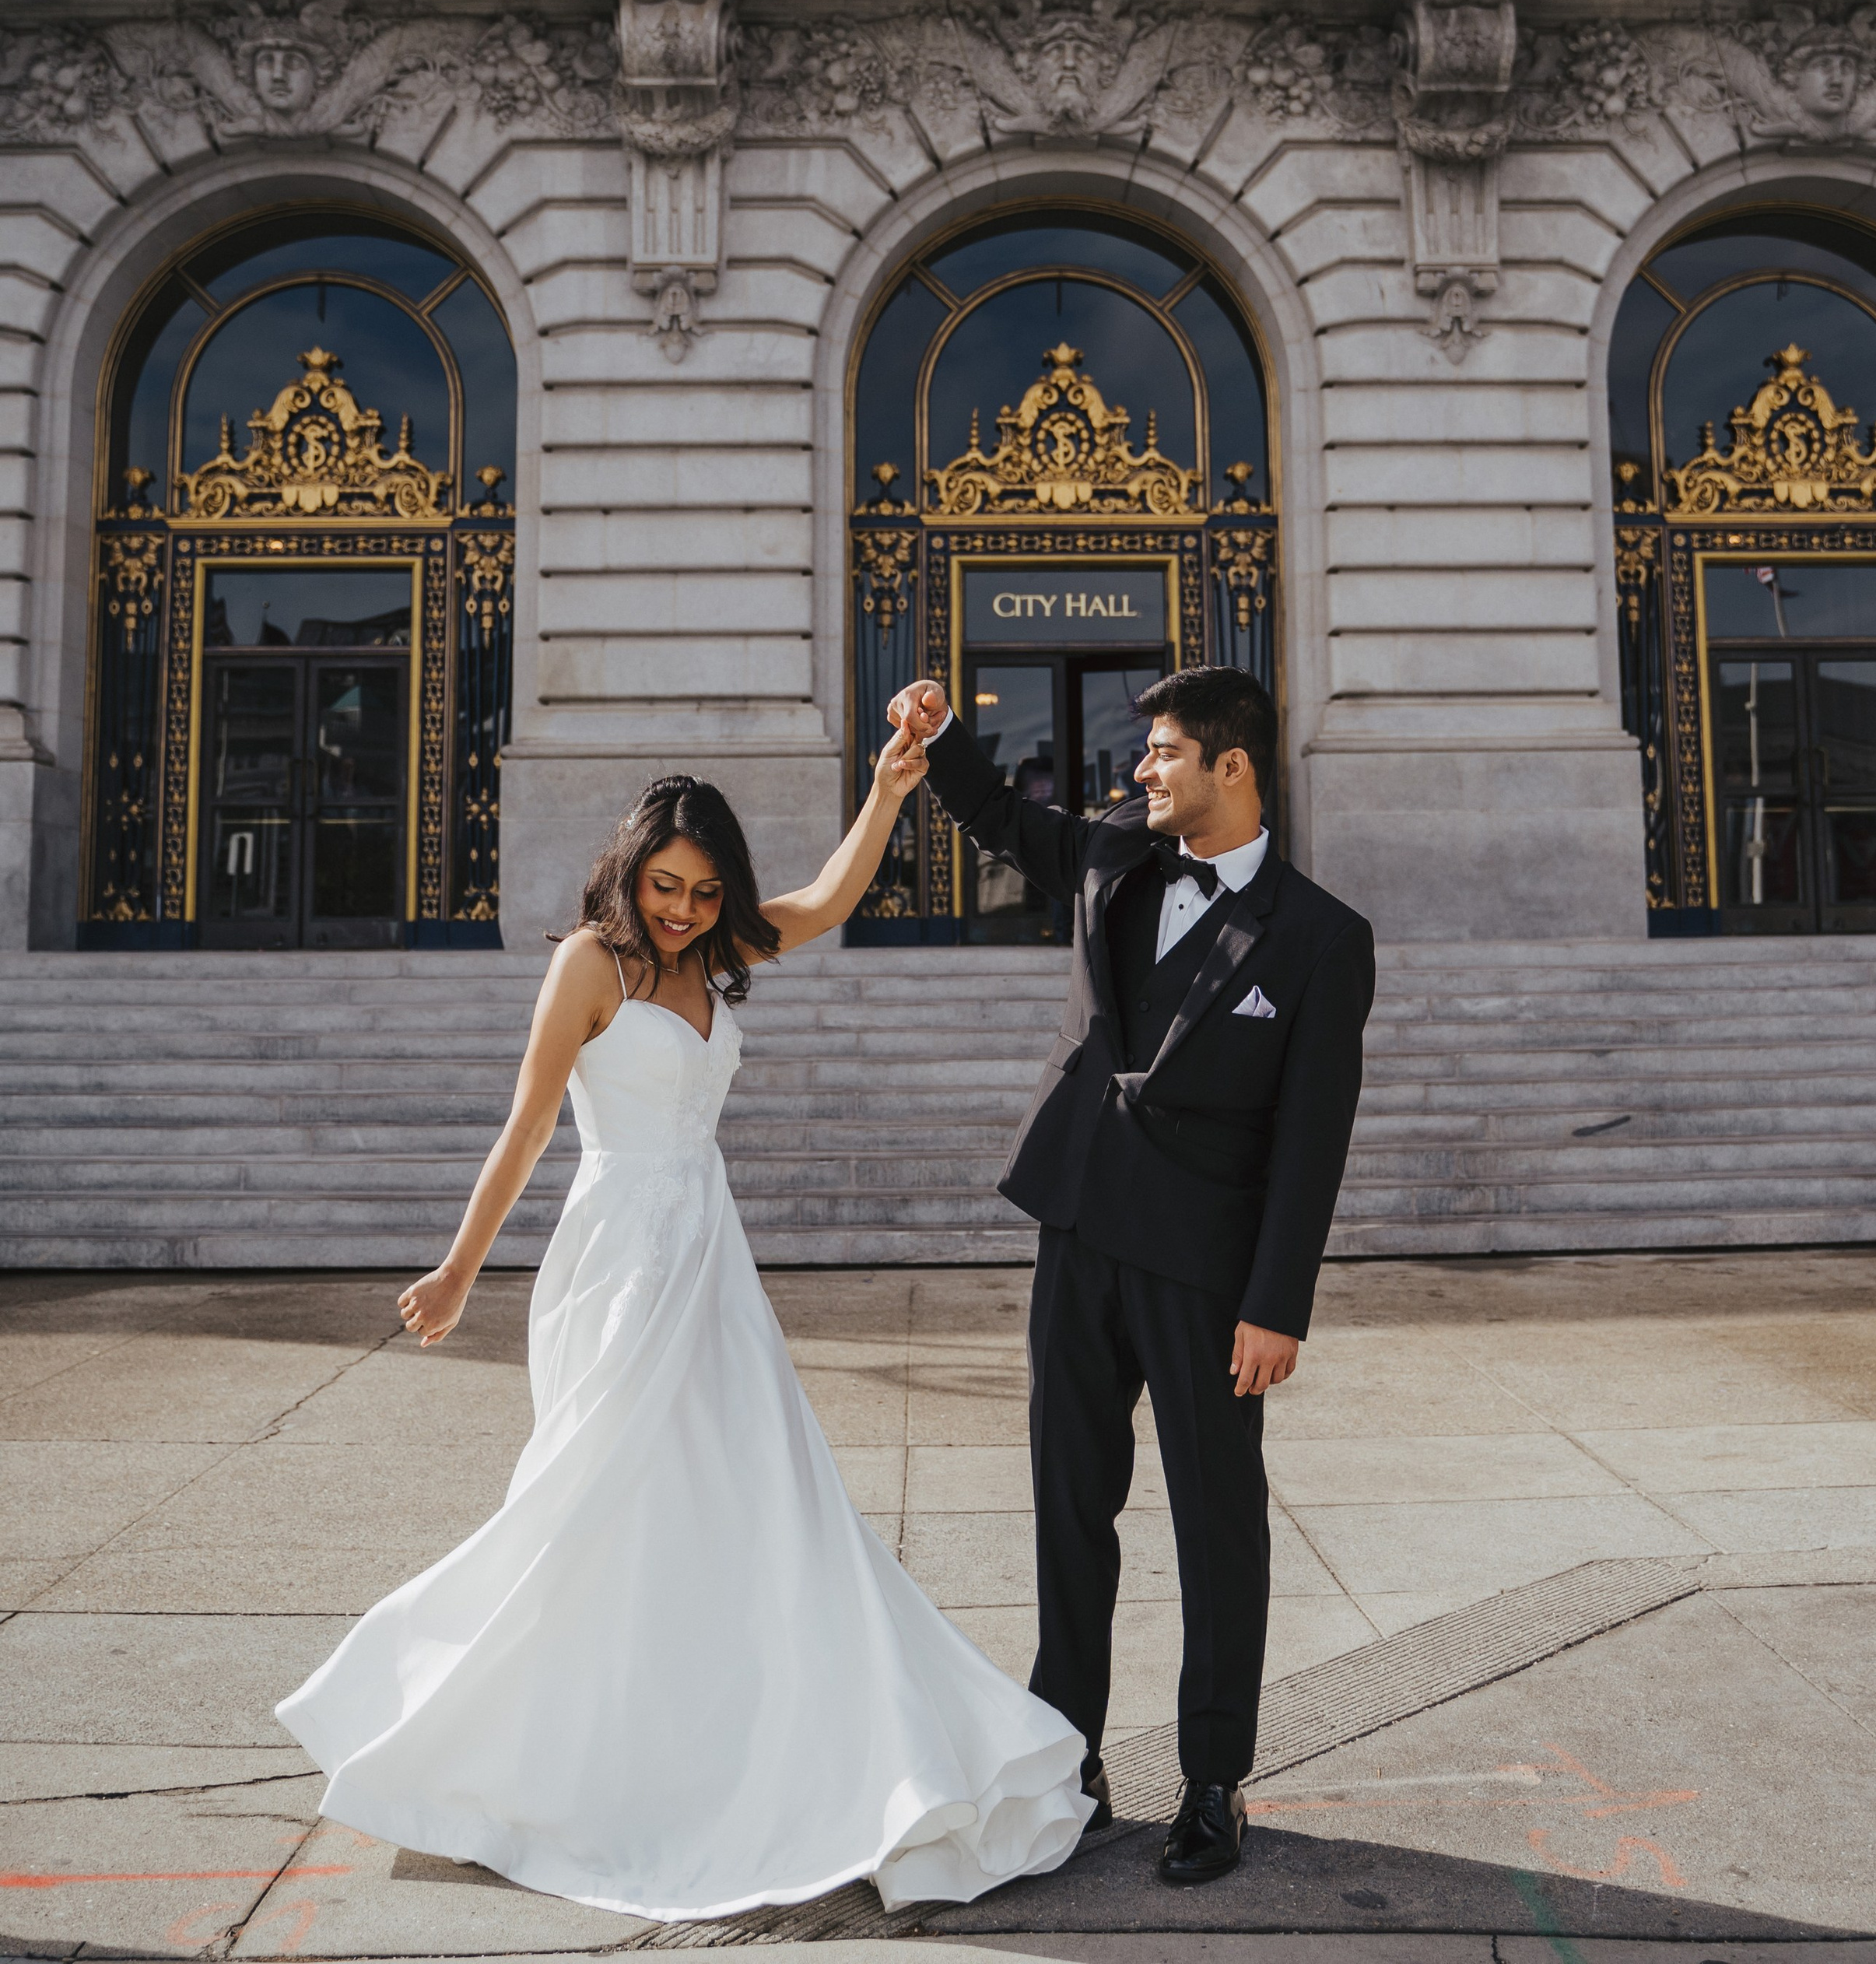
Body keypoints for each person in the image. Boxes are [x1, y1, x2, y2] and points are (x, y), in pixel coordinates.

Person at [275, 744, 1089, 1924]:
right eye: (667, 886)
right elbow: (529, 1123)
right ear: (630, 869)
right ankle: (501, 1748)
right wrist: (460, 1271)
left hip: (707, 1258)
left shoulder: (717, 954)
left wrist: (889, 795)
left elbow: (827, 900)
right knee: (594, 1505)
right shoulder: (589, 964)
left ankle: (737, 1745)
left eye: (706, 893)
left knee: (755, 1502)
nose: (684, 910)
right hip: (616, 1266)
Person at [887, 664, 1373, 1887]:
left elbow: (1313, 1140)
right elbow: (1008, 824)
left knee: (1218, 1524)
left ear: (1233, 766)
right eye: (1147, 753)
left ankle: (1213, 1781)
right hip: (1080, 1230)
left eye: (1165, 753)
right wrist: (944, 743)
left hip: (1209, 1274)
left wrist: (1277, 1305)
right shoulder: (1111, 853)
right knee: (1068, 1506)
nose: (1142, 769)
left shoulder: (1323, 939)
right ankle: (1067, 1757)